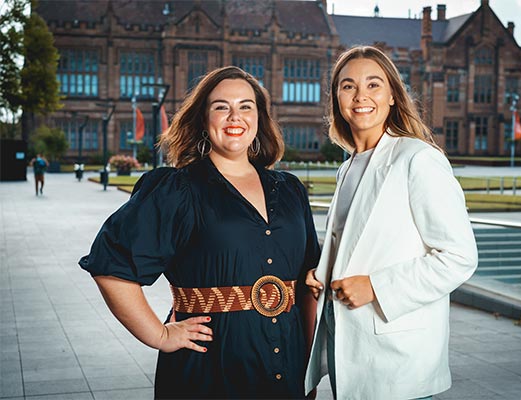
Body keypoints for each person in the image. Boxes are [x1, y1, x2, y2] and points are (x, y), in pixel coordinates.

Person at [79, 66, 320, 399]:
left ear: (260, 118)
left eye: (245, 106)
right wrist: (159, 335)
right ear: (203, 120)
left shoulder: (291, 191)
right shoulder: (177, 190)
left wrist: (307, 365)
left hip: (288, 369)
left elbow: (307, 286)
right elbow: (111, 264)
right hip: (209, 370)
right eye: (221, 106)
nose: (235, 116)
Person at [304, 46, 478, 400]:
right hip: (347, 346)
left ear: (393, 97)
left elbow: (459, 257)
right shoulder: (349, 166)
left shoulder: (419, 160)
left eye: (373, 85)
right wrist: (322, 271)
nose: (361, 96)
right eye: (348, 86)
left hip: (397, 360)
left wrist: (376, 287)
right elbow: (358, 242)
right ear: (337, 98)